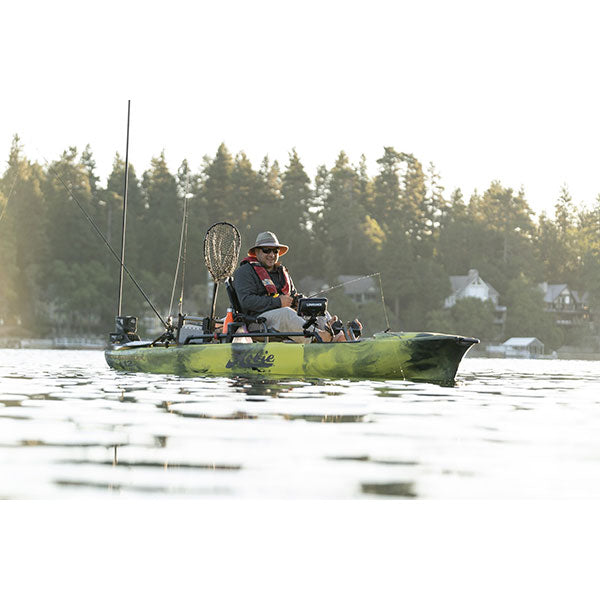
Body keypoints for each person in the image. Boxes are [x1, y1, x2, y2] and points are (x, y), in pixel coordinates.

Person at [232, 231, 346, 343]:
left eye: (275, 251)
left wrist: (298, 301)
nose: (271, 255)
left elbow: (293, 294)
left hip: (284, 316)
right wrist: (278, 302)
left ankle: (338, 337)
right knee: (286, 313)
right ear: (256, 252)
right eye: (266, 250)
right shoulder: (245, 272)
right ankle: (317, 338)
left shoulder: (282, 272)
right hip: (256, 322)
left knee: (316, 308)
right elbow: (246, 301)